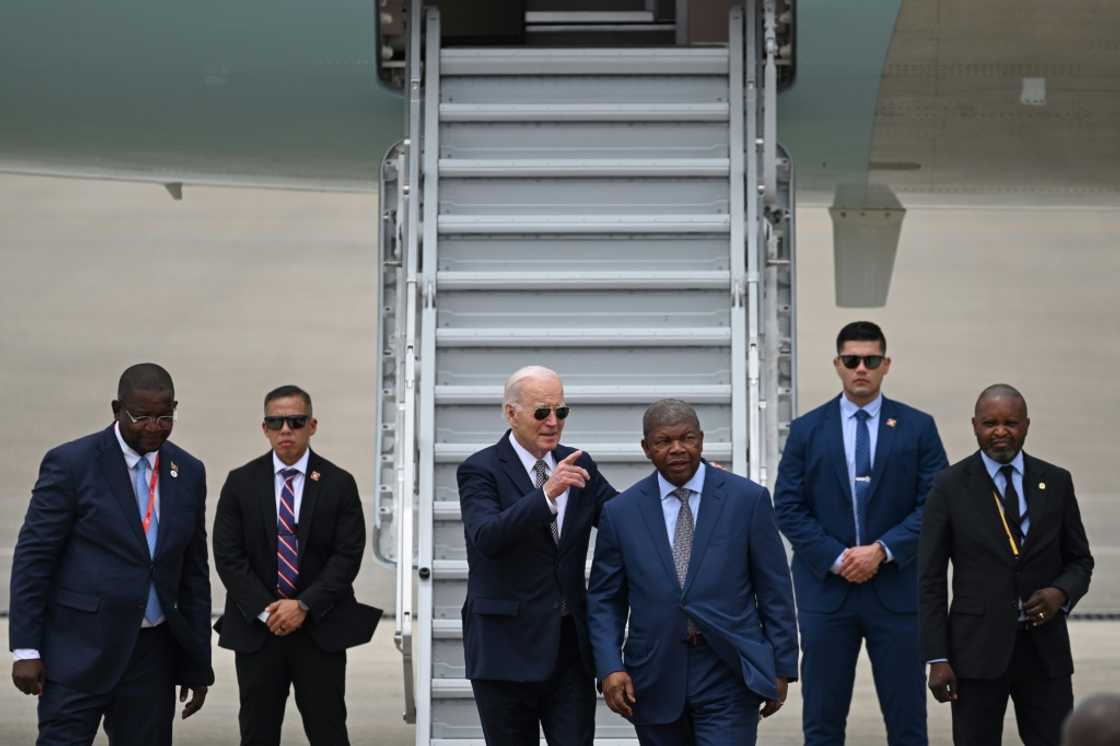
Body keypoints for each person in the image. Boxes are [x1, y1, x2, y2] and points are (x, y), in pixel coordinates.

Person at [8, 363, 213, 745]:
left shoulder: (187, 470)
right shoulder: (72, 464)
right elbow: (34, 559)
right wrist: (25, 648)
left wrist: (198, 661)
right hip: (78, 650)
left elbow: (193, 573)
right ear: (116, 408)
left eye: (165, 416)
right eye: (142, 416)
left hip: (152, 657)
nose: (154, 426)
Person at [773, 320, 948, 746]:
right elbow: (788, 507)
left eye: (871, 360)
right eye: (852, 360)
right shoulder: (806, 430)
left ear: (886, 364)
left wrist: (883, 550)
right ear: (838, 364)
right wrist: (838, 557)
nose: (861, 369)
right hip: (827, 595)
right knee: (822, 723)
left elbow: (937, 503)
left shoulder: (917, 427)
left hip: (898, 594)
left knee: (908, 724)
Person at [587, 399, 798, 746]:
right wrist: (610, 666)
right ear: (646, 448)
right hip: (653, 676)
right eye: (664, 442)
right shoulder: (620, 512)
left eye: (687, 438)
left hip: (729, 669)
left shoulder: (747, 500)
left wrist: (781, 666)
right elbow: (605, 601)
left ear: (701, 439)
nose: (678, 449)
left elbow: (775, 590)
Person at [919, 384, 1093, 746]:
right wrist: (937, 656)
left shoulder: (1056, 481)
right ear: (974, 426)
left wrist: (1060, 592)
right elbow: (931, 579)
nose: (1001, 431)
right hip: (975, 656)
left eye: (1011, 422)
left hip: (1045, 655)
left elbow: (1080, 561)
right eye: (990, 423)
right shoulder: (949, 485)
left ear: (1027, 425)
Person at [457, 365, 618, 746]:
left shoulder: (577, 463)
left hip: (568, 650)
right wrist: (547, 495)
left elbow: (621, 518)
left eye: (561, 412)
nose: (553, 422)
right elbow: (486, 537)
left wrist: (682, 487)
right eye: (541, 412)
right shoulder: (480, 469)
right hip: (505, 649)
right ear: (511, 413)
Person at [212, 384, 381, 746]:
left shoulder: (338, 483)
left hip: (319, 629)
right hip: (260, 631)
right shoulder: (241, 482)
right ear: (264, 428)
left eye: (295, 421)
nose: (285, 429)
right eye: (276, 422)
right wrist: (267, 610)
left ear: (312, 425)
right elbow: (228, 555)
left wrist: (304, 605)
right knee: (257, 732)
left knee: (329, 730)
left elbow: (347, 555)